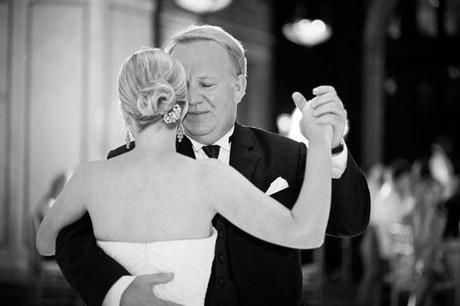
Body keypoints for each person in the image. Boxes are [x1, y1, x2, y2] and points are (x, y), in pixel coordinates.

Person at [55, 25, 370, 306]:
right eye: (181, 85)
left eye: (206, 84)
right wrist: (118, 289)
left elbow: (350, 222)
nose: (191, 99)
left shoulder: (286, 156)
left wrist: (331, 146)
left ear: (239, 86)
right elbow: (70, 236)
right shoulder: (130, 159)